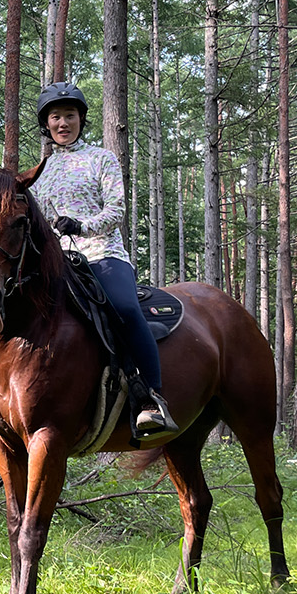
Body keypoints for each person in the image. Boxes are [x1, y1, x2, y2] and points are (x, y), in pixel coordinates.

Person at [33, 81, 178, 436]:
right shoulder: (41, 172)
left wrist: (81, 225)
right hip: (60, 263)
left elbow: (116, 211)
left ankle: (152, 400)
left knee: (125, 309)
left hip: (103, 255)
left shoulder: (102, 159)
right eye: (56, 117)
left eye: (69, 115)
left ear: (81, 119)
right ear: (47, 125)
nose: (63, 123)